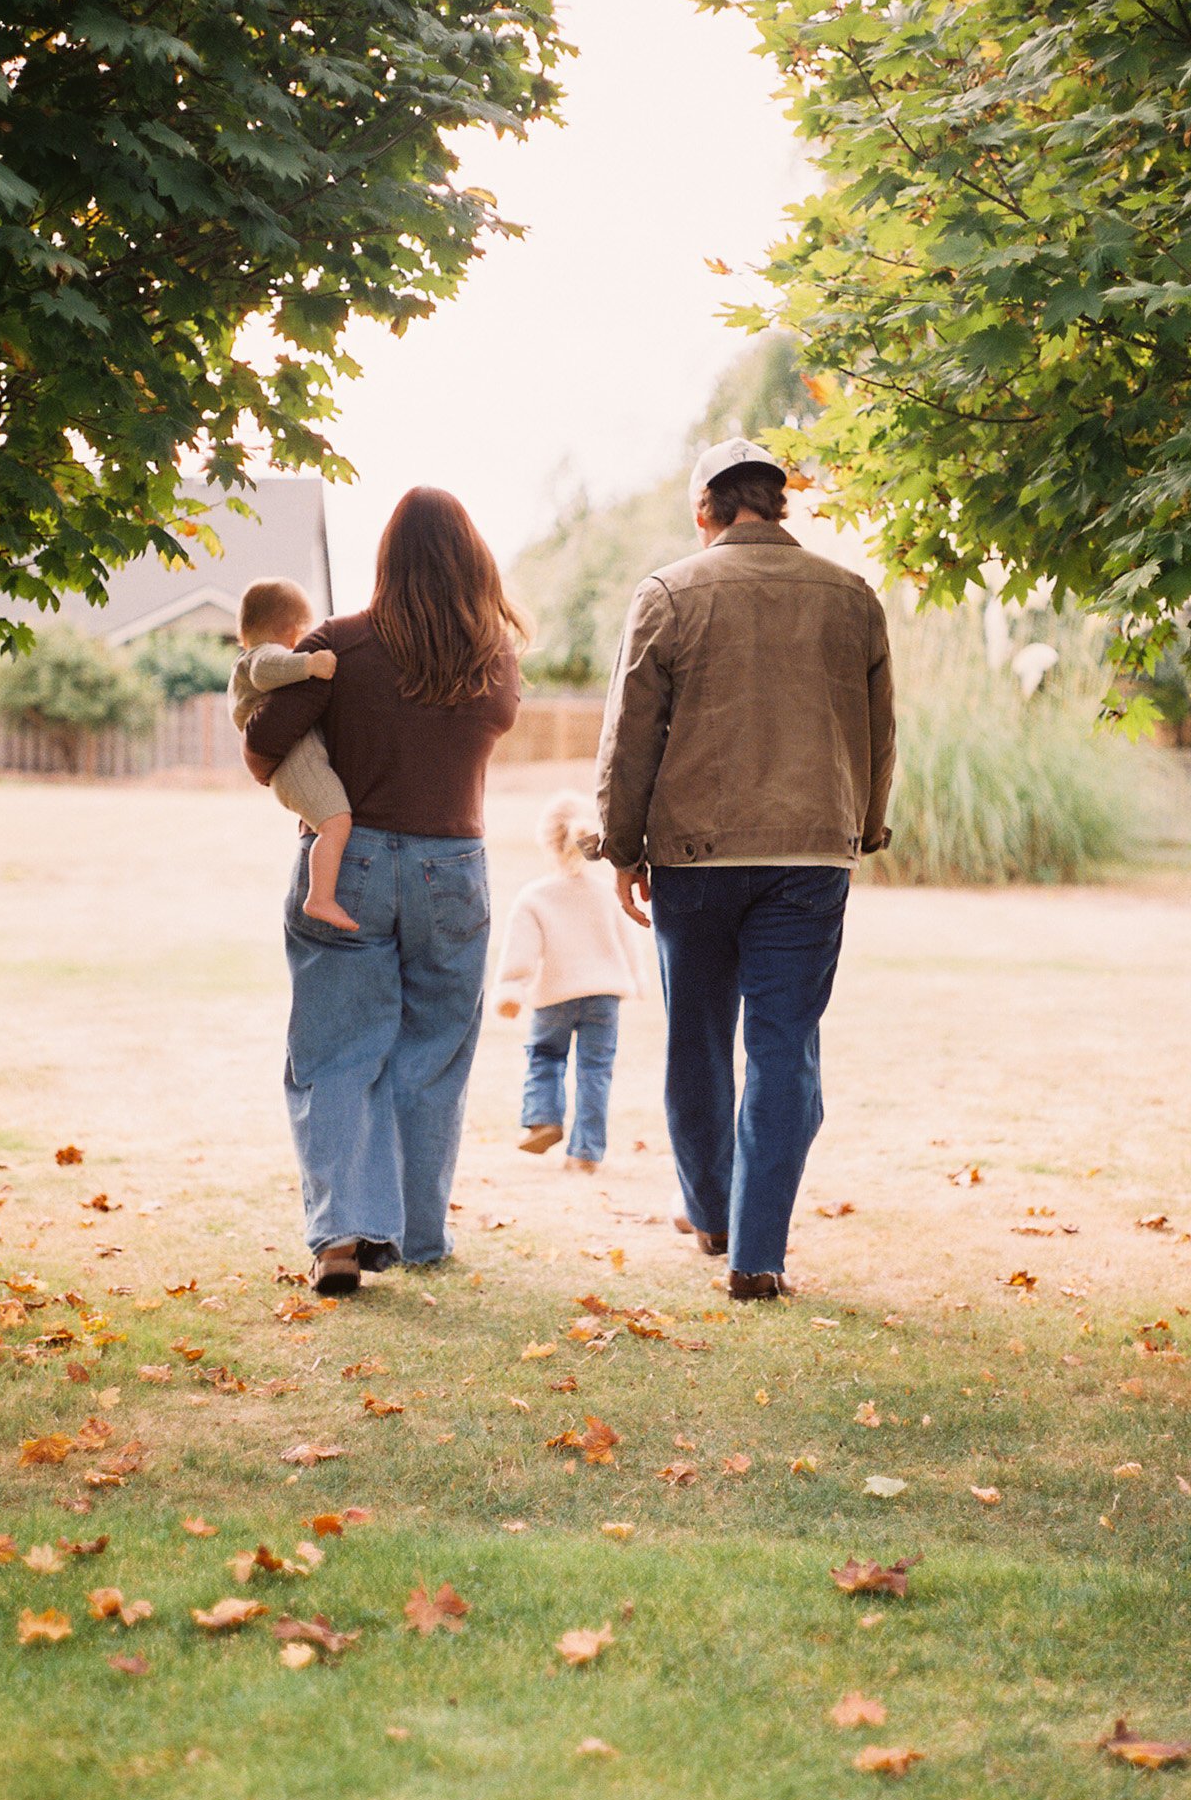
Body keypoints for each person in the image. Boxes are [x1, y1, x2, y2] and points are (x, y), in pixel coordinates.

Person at [594, 436, 894, 1300]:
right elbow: (880, 727)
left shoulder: (668, 592)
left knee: (696, 1041)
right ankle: (757, 1256)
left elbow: (629, 733)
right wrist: (862, 827)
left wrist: (621, 847)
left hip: (694, 856)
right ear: (778, 502)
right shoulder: (851, 595)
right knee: (782, 1049)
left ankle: (715, 1215)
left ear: (706, 511)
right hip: (809, 856)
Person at [242, 487, 523, 1296]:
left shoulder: (341, 643)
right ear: (470, 558)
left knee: (336, 1049)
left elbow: (262, 742)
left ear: (386, 557)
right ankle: (416, 1235)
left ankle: (339, 1232)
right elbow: (488, 721)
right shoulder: (491, 656)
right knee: (432, 1051)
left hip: (350, 861)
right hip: (453, 869)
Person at [494, 792, 645, 1174]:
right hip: (605, 996)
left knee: (545, 1055)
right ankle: (586, 1153)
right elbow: (628, 942)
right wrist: (637, 981)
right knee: (596, 1071)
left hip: (554, 996)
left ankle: (544, 1119)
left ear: (547, 841)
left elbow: (522, 953)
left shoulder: (535, 897)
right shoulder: (606, 893)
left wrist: (512, 989)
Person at [228, 577, 356, 931]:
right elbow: (265, 669)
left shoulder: (254, 653)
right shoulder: (262, 656)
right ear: (291, 632)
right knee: (335, 822)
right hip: (296, 763)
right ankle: (320, 898)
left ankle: (320, 894)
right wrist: (309, 664)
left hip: (294, 762)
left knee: (329, 822)